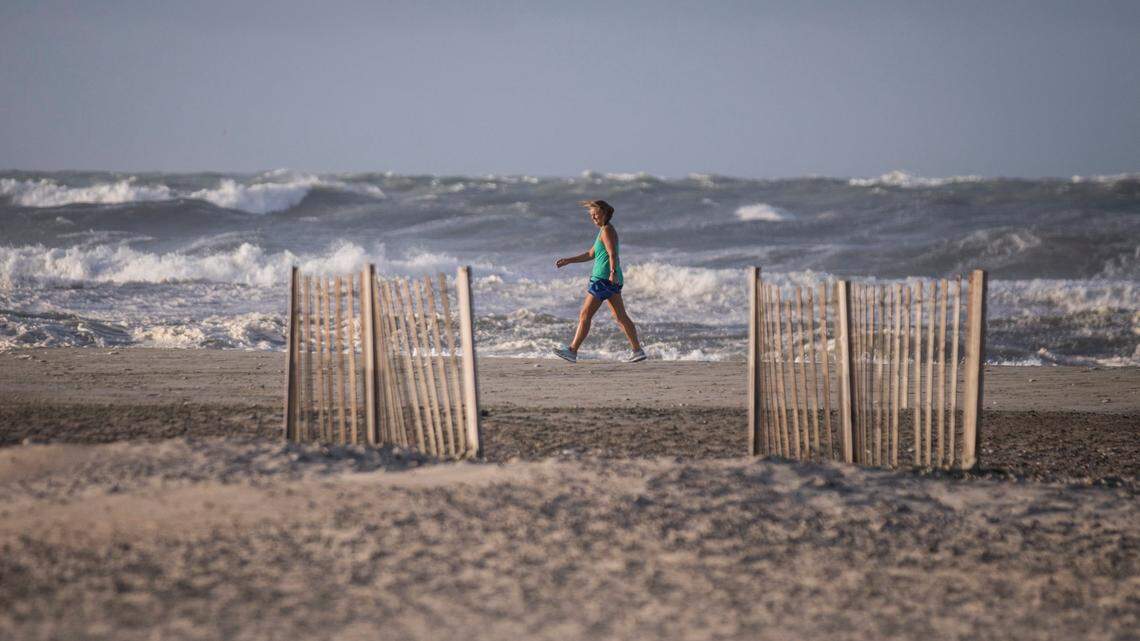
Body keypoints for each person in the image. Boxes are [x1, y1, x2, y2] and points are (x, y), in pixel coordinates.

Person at [552, 200, 646, 363]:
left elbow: (612, 254)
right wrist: (569, 260)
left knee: (585, 315)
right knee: (621, 317)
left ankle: (572, 351)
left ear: (605, 214)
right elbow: (591, 254)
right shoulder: (603, 230)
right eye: (592, 216)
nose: (594, 218)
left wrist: (612, 272)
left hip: (603, 279)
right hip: (610, 280)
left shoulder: (607, 230)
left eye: (596, 215)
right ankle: (637, 350)